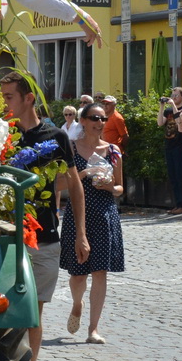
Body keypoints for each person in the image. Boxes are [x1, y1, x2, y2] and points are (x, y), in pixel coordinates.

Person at [0, 70, 88, 361]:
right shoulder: (0, 132)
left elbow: (74, 184)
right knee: (4, 314)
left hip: (45, 237)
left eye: (9, 97)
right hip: (4, 238)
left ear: (29, 98)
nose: (4, 103)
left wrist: (81, 234)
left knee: (33, 313)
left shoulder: (55, 136)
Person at [60, 101, 124, 343]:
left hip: (105, 214)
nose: (100, 123)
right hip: (79, 216)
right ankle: (77, 303)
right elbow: (56, 185)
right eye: (95, 118)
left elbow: (120, 187)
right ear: (83, 121)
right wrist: (82, 175)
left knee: (100, 272)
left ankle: (93, 329)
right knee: (78, 274)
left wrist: (110, 186)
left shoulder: (113, 150)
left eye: (103, 119)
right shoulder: (71, 149)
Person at [159, 87, 182, 214]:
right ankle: (178, 204)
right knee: (173, 177)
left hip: (180, 146)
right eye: (173, 95)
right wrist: (162, 106)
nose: (174, 97)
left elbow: (179, 121)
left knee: (180, 175)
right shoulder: (168, 110)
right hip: (169, 146)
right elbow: (160, 123)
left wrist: (174, 106)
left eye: (177, 95)